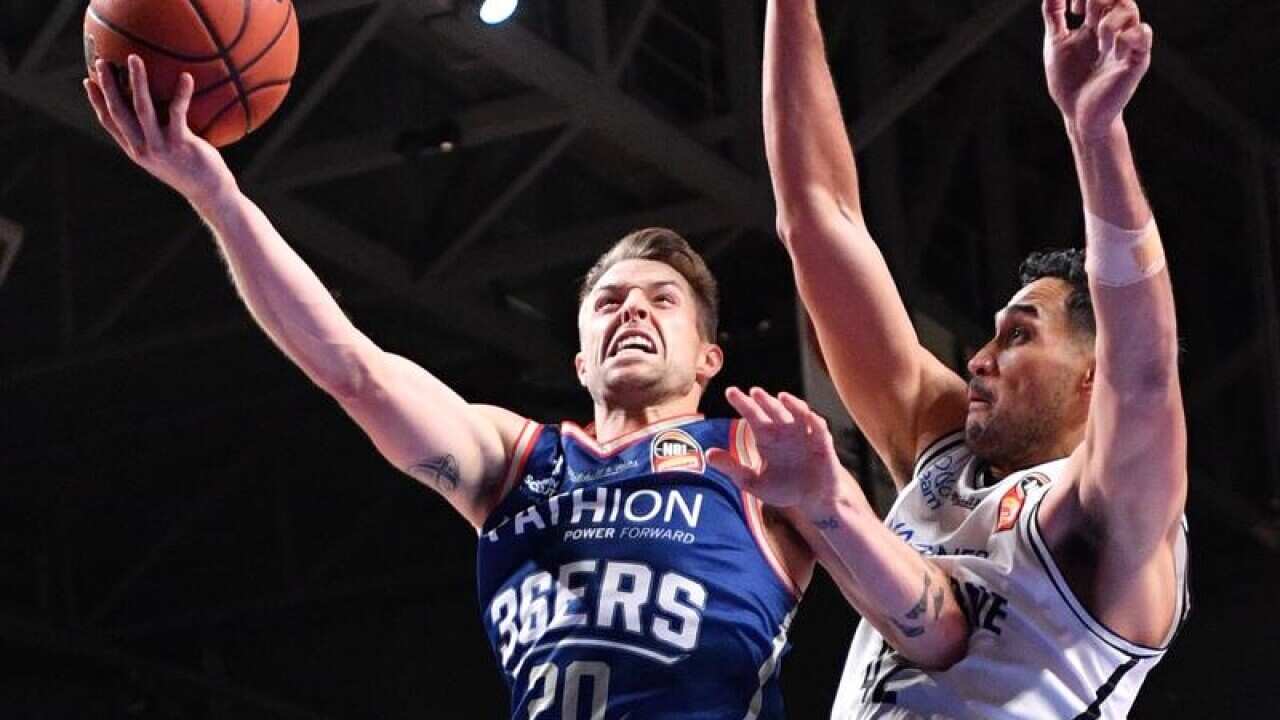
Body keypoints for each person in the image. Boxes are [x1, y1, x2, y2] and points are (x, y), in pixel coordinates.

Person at [83, 53, 970, 718]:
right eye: (609, 301)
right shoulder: (514, 459)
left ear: (710, 360)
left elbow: (936, 632)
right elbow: (349, 365)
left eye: (663, 301)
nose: (633, 311)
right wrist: (214, 193)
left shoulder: (757, 457)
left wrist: (829, 506)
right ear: (579, 358)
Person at [763, 0, 1189, 717]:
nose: (979, 361)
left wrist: (1096, 136)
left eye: (1019, 335)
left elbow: (1147, 373)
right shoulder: (942, 449)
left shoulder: (1112, 513)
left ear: (1093, 373)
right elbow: (816, 217)